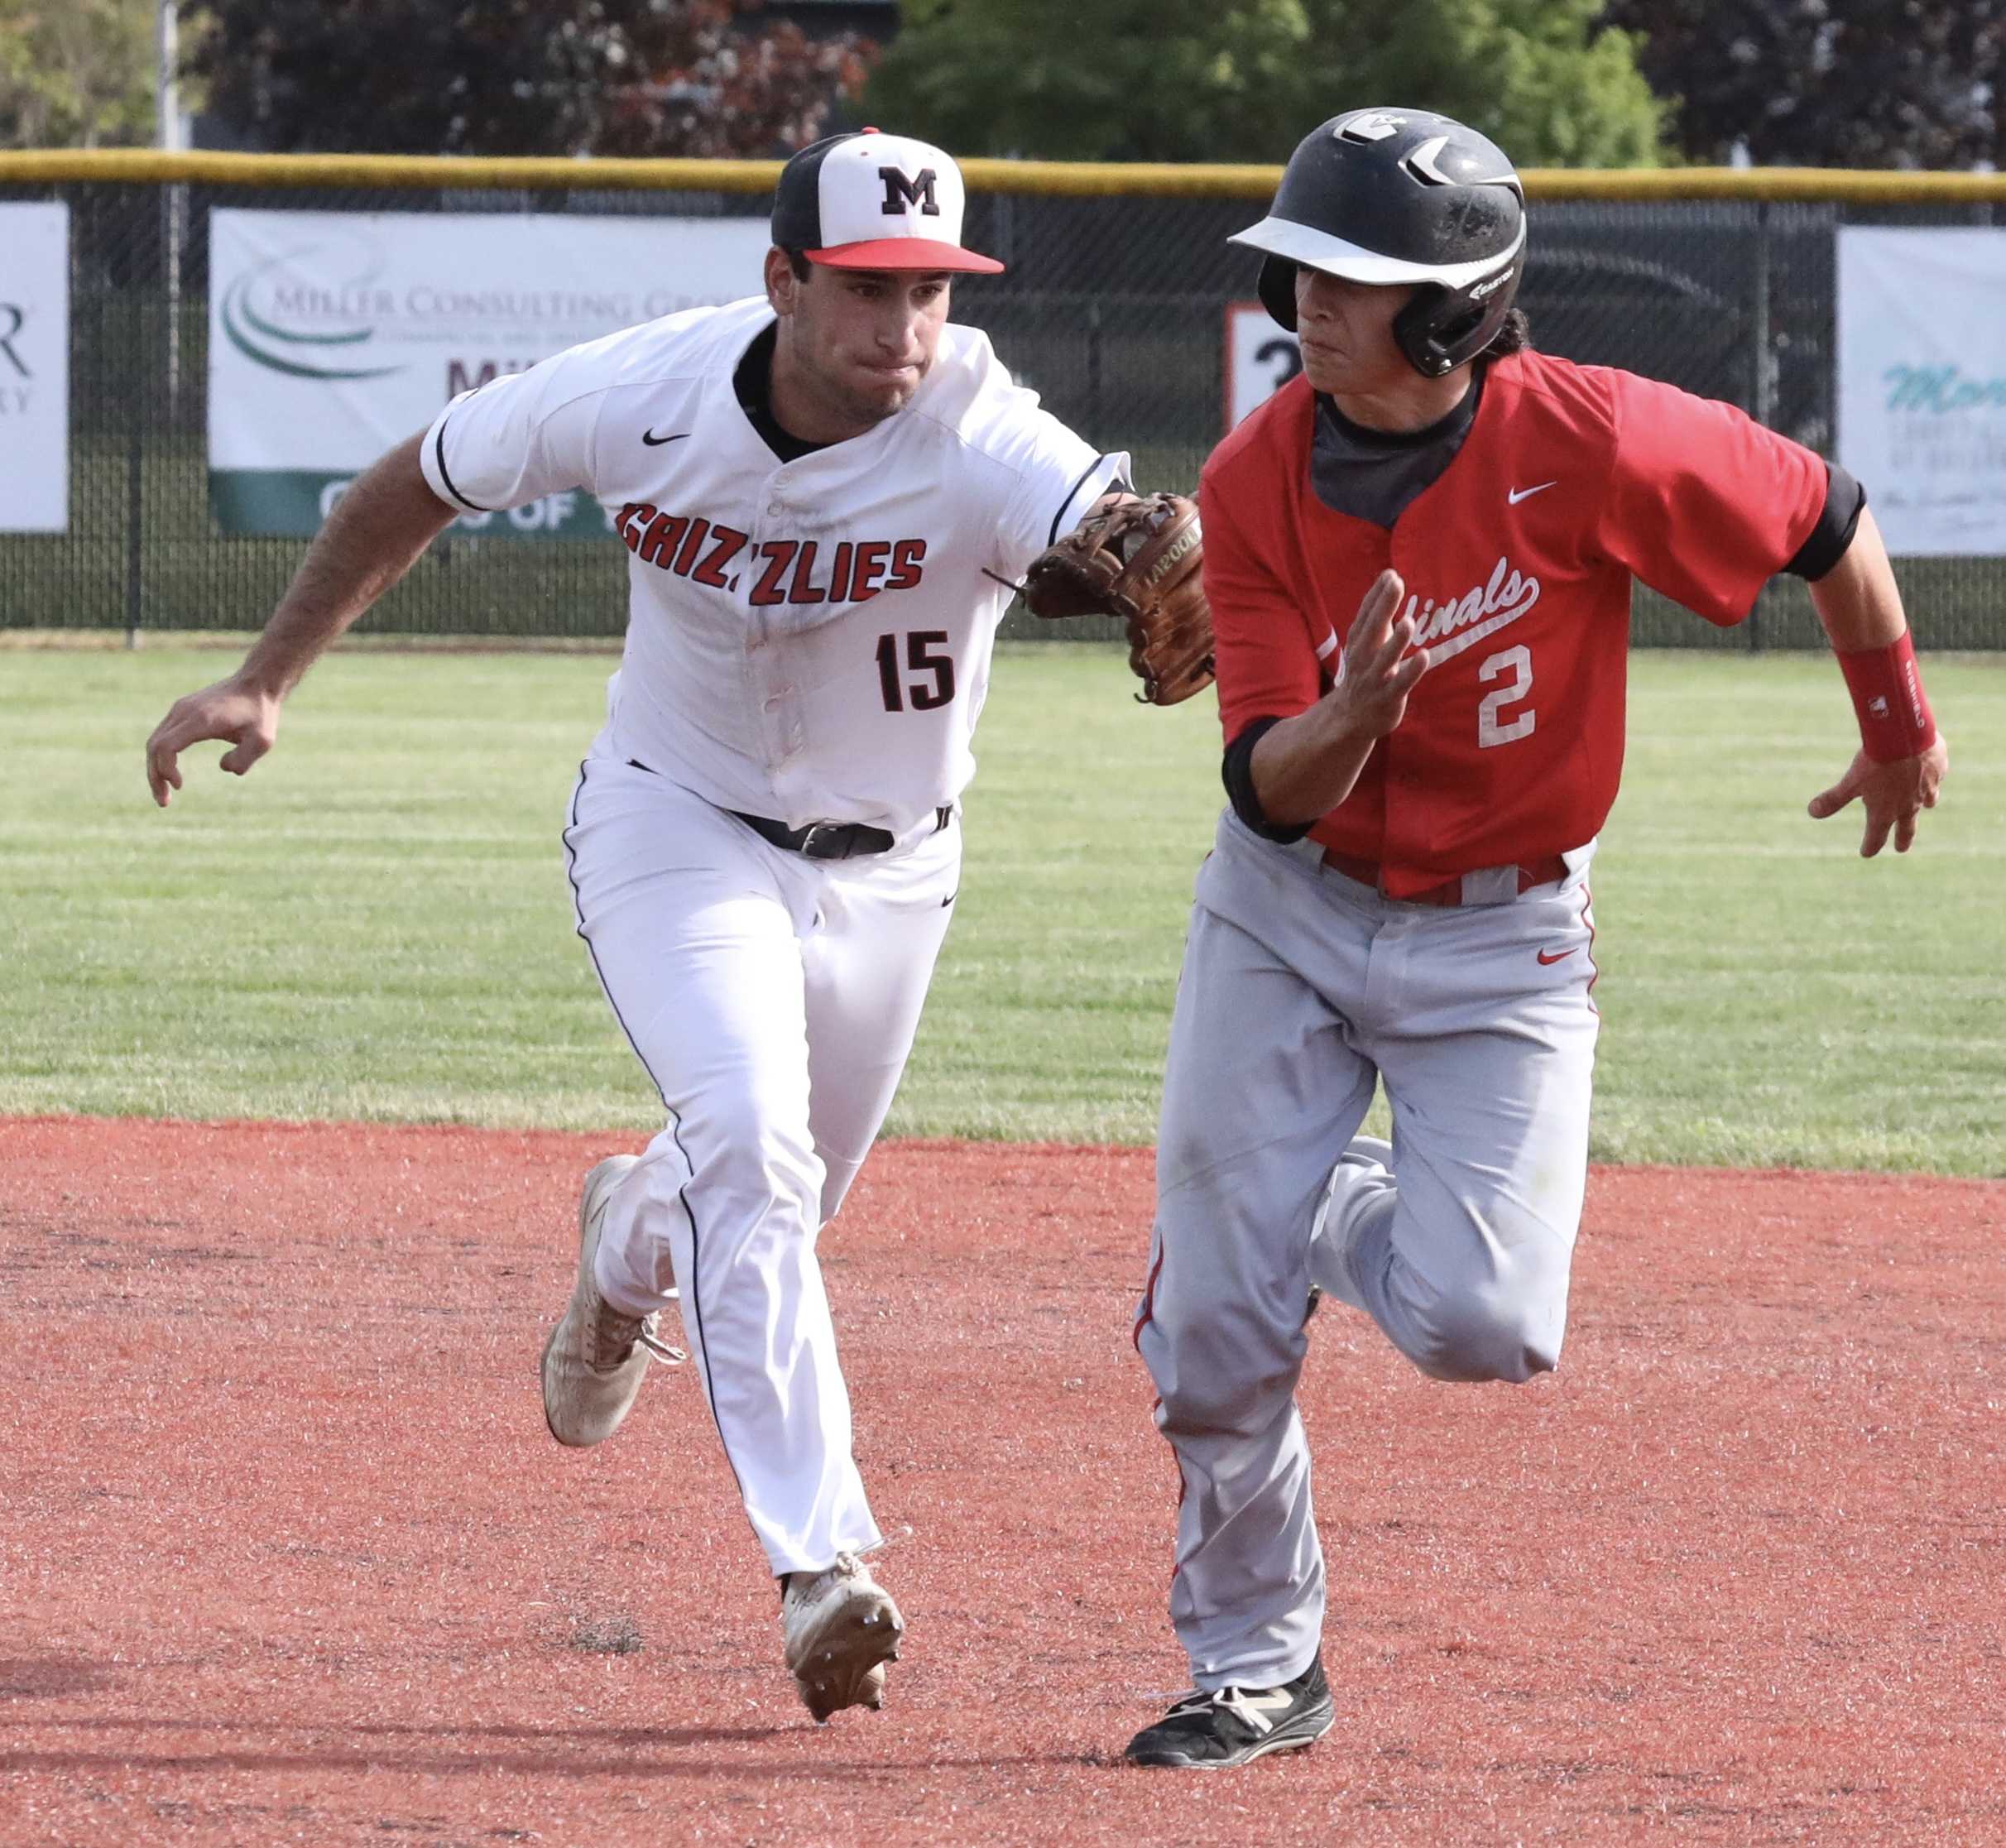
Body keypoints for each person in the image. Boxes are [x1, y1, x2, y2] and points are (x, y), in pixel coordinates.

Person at [145, 129, 1130, 1725]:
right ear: (784, 282)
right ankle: (823, 1569)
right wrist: (266, 674)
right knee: (753, 1141)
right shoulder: (644, 393)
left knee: (765, 1201)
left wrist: (1152, 556)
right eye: (871, 289)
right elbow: (418, 479)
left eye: (933, 291)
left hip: (895, 870)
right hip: (675, 821)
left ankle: (621, 1237)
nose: (905, 328)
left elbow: (1107, 520)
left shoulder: (980, 420)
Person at [1122, 106, 1947, 1770]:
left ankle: (1325, 1198)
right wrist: (1352, 715)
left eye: (1350, 274)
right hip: (1288, 909)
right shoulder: (1253, 474)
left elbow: (1828, 522)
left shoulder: (1600, 437)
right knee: (1215, 1330)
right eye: (1300, 265)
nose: (1303, 295)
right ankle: (1258, 1663)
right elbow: (1269, 792)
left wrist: (1897, 719)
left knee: (1484, 1326)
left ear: (1449, 310)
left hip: (1510, 936)